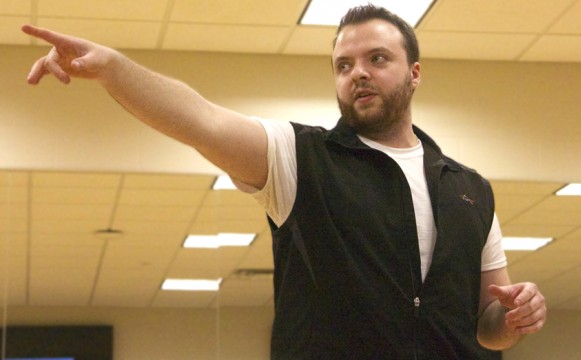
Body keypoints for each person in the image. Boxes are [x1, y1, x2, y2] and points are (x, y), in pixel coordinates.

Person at [23, 4, 546, 359]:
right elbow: (201, 119)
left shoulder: (471, 189)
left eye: (376, 59)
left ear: (414, 73)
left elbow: (485, 325)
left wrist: (515, 315)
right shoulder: (300, 157)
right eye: (344, 65)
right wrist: (114, 68)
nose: (357, 72)